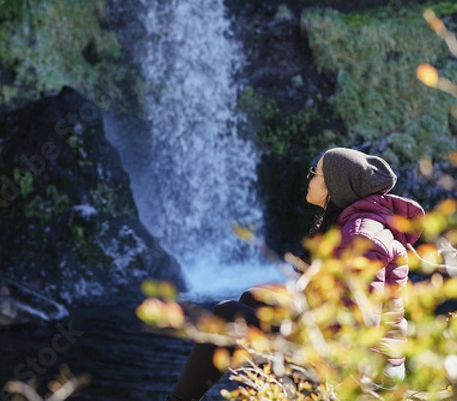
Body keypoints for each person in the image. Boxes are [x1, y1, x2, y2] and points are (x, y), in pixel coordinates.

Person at [166, 147, 425, 401]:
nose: (309, 178)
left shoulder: (360, 235)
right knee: (253, 299)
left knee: (227, 314)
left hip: (365, 373)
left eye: (315, 173)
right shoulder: (354, 224)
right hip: (361, 356)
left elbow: (358, 321)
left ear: (334, 185)